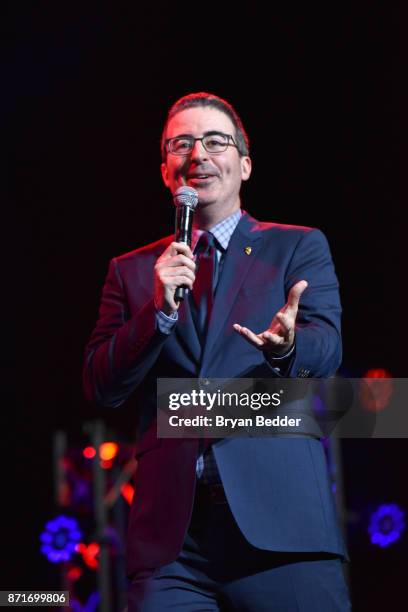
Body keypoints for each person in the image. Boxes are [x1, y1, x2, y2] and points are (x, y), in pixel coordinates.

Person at [83, 92, 351, 611]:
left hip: (282, 532)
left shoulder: (296, 246)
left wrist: (287, 348)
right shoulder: (133, 271)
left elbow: (328, 347)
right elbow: (99, 384)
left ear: (245, 164)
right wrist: (156, 314)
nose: (197, 154)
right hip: (174, 548)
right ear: (166, 171)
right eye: (180, 143)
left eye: (214, 140)